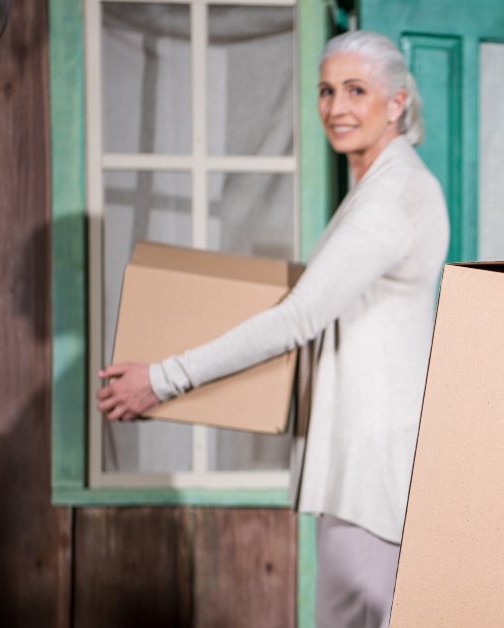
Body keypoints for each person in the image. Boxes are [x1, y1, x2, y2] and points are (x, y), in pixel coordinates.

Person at [95, 30, 449, 628]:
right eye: (326, 91)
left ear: (396, 102)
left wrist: (162, 379)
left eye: (356, 90)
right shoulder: (376, 187)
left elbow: (298, 316)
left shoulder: (396, 193)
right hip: (363, 458)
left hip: (373, 465)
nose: (336, 108)